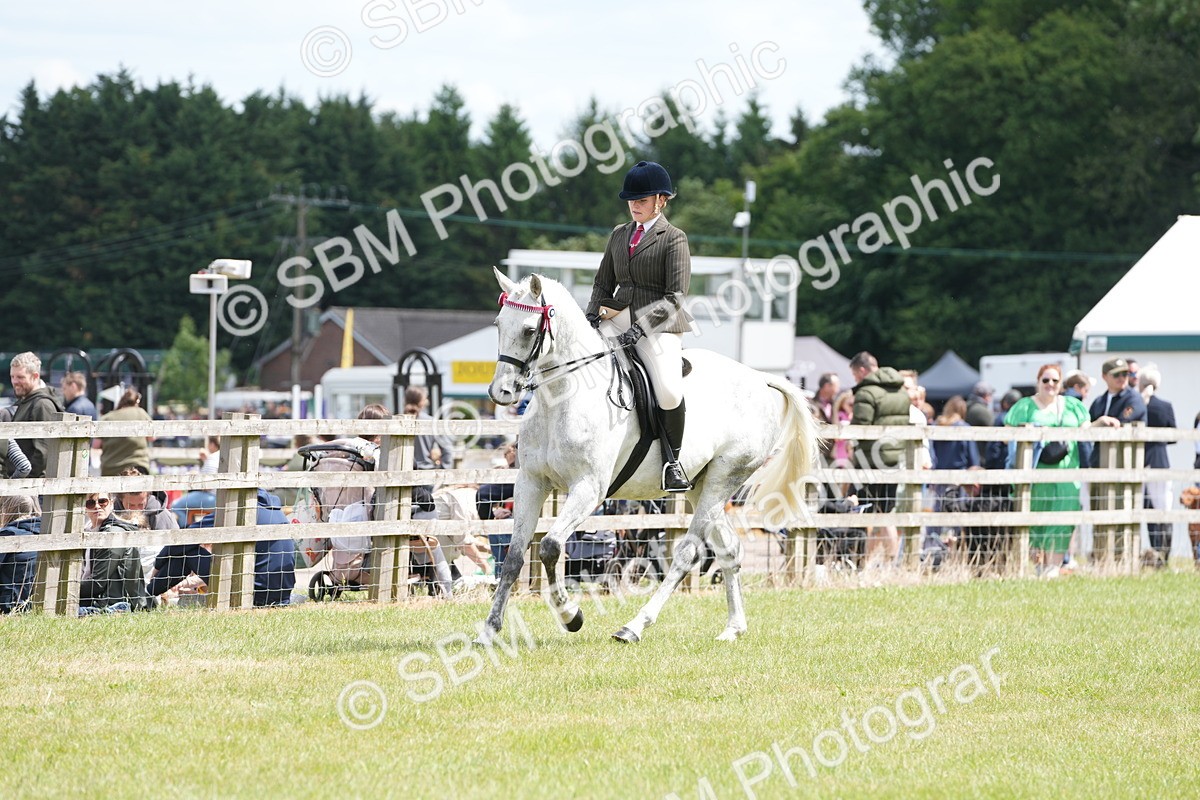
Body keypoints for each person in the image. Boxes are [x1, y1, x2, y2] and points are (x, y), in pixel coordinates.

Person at [585, 160, 697, 492]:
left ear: (661, 200)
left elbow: (675, 295)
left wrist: (641, 328)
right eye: (632, 199)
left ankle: (672, 462)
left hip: (660, 323)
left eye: (643, 200)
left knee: (667, 389)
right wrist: (591, 315)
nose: (635, 205)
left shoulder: (674, 238)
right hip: (616, 315)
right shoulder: (619, 234)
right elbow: (602, 283)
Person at [1004, 364, 1090, 576]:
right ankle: (1039, 567)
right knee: (1033, 519)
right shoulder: (1024, 406)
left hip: (1066, 473)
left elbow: (1086, 431)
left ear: (1061, 384)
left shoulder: (1072, 406)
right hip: (1035, 473)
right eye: (1045, 380)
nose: (1050, 384)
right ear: (1038, 382)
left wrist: (1103, 423)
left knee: (1063, 519)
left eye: (1054, 381)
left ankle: (1053, 569)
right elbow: (1007, 435)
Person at [182, 489, 297, 606]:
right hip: (282, 596)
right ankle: (168, 588)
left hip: (255, 597)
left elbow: (185, 538)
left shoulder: (238, 511)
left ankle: (165, 590)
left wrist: (162, 562)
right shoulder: (277, 512)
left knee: (188, 553)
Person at [849, 351, 912, 563]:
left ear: (862, 370)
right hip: (894, 458)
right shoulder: (901, 390)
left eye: (855, 375)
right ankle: (884, 562)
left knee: (868, 511)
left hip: (870, 459)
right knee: (885, 510)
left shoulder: (866, 392)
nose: (856, 380)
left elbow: (860, 427)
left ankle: (877, 562)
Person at [80, 491, 154, 611]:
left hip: (115, 604)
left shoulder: (113, 534)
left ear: (111, 504)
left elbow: (97, 584)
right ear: (84, 507)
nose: (97, 506)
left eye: (102, 502)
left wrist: (65, 589)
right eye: (90, 503)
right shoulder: (86, 531)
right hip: (95, 598)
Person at [1139, 364, 1176, 564]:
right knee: (1164, 509)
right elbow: (1173, 435)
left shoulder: (1137, 404)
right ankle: (1164, 553)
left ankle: (1154, 550)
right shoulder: (1165, 406)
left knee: (1148, 508)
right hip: (1159, 459)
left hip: (1139, 460)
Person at [9, 352, 66, 478]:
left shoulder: (42, 404)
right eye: (12, 376)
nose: (14, 381)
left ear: (35, 376)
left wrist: (24, 482)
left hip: (33, 487)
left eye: (20, 377)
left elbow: (43, 452)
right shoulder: (28, 401)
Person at [115, 466, 179, 577]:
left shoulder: (161, 515)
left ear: (148, 496)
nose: (136, 509)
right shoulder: (111, 512)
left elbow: (174, 549)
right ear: (121, 499)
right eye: (131, 505)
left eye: (140, 504)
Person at [1088, 358, 1147, 467]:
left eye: (1125, 374)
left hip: (1125, 463)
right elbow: (1087, 426)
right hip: (1098, 461)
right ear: (1104, 376)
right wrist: (1099, 422)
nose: (1122, 378)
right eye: (1116, 375)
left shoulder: (1134, 398)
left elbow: (1120, 423)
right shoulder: (1099, 401)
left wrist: (1101, 423)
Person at [98, 388, 154, 476]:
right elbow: (152, 437)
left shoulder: (107, 418)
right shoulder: (141, 413)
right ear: (137, 402)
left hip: (111, 468)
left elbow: (96, 444)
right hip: (137, 467)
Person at [0, 495, 41, 613]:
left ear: (6, 509)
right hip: (37, 604)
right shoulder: (44, 533)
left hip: (9, 606)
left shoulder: (7, 534)